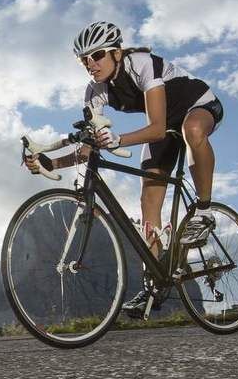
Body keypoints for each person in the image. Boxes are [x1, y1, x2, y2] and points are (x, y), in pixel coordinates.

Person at [25, 22, 224, 318]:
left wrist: (119, 139)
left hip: (198, 107)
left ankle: (204, 211)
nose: (91, 65)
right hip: (168, 129)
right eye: (84, 60)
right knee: (148, 203)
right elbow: (89, 146)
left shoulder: (142, 64)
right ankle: (153, 285)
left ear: (117, 52)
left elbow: (156, 129)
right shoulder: (94, 92)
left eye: (98, 55)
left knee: (191, 129)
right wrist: (51, 162)